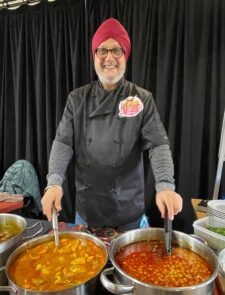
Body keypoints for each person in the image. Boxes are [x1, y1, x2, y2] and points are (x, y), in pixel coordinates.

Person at [41, 18, 183, 230]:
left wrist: (165, 185)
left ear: (125, 55)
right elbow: (62, 144)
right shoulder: (76, 99)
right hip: (87, 211)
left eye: (116, 50)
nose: (109, 57)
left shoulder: (142, 98)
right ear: (94, 56)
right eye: (102, 51)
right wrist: (53, 183)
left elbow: (158, 145)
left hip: (127, 211)